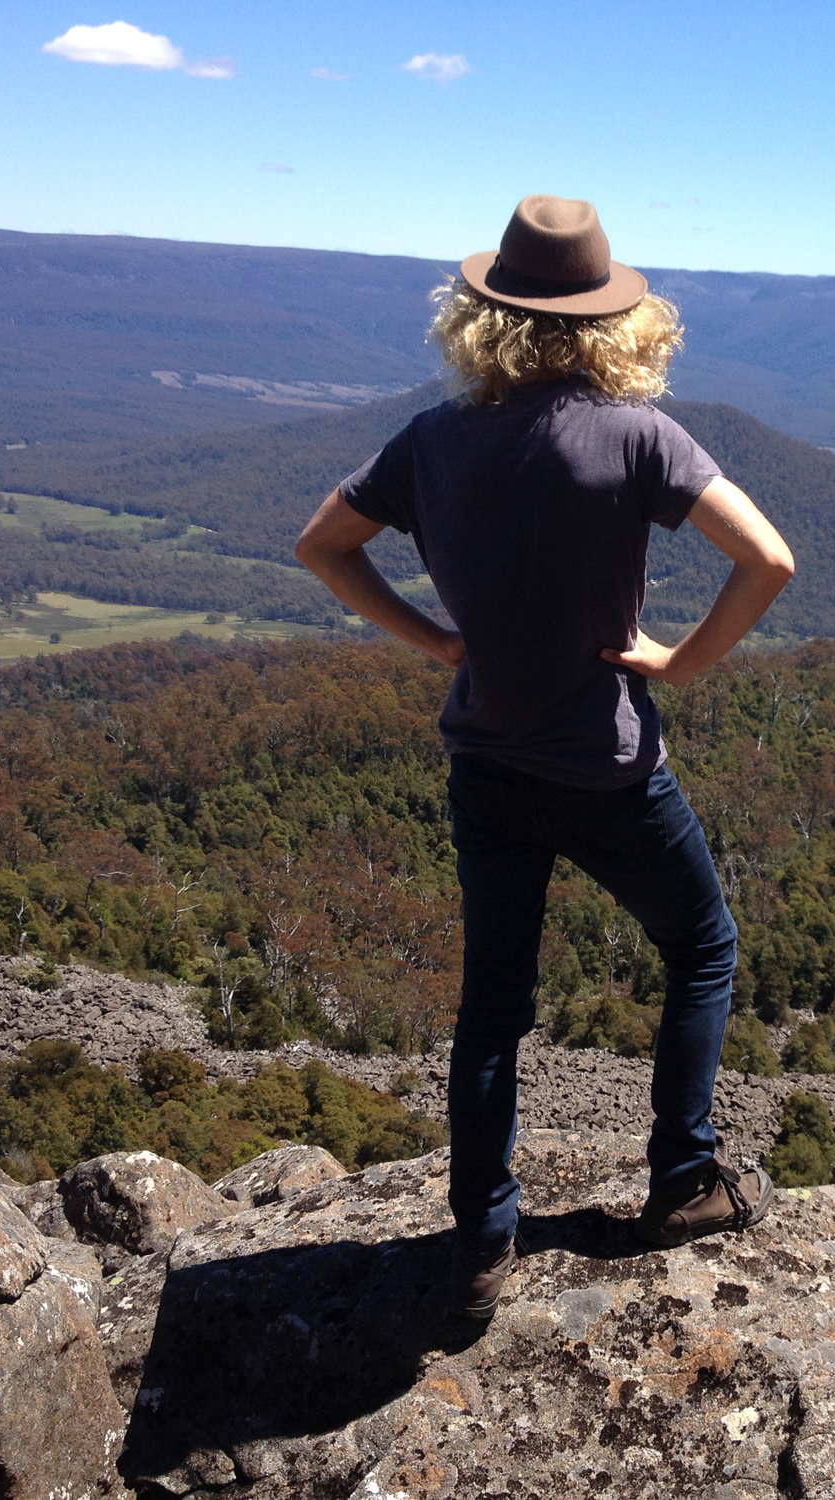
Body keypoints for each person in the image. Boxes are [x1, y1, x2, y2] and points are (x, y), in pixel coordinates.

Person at [295, 195, 796, 1321]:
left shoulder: (428, 440)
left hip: (489, 764)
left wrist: (432, 640)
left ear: (484, 319)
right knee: (701, 948)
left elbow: (319, 545)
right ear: (616, 321)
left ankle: (480, 1240)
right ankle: (681, 1180)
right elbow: (768, 561)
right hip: (610, 768)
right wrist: (677, 665)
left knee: (493, 1007)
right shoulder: (637, 436)